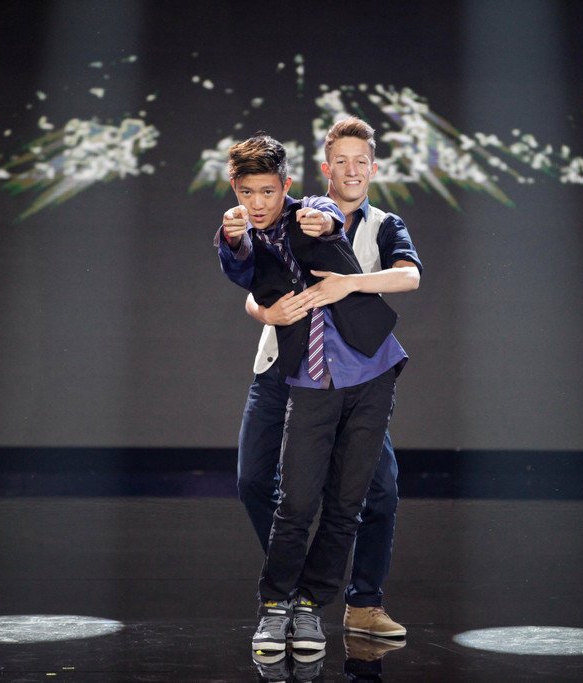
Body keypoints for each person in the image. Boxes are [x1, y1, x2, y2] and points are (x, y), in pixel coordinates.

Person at [214, 131, 411, 655]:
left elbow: (395, 267)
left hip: (363, 370)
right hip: (291, 367)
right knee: (281, 493)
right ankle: (284, 595)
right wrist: (263, 304)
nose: (351, 170)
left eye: (359, 161)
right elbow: (249, 281)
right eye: (340, 161)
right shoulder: (252, 227)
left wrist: (346, 272)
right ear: (326, 168)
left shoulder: (366, 221)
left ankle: (348, 602)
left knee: (363, 495)